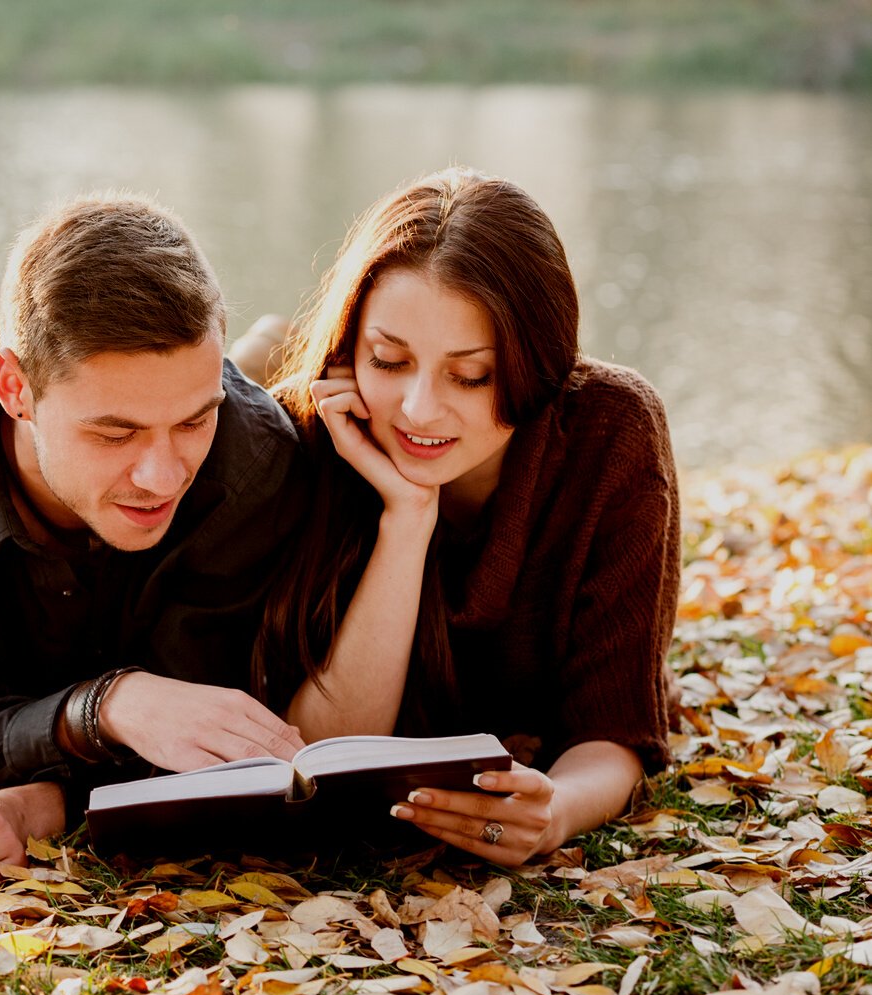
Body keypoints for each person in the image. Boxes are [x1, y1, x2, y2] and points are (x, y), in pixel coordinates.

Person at [0, 193, 307, 887]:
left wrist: (33, 803)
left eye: (194, 421)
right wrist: (110, 704)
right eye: (116, 432)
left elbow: (204, 750)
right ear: (15, 386)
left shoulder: (254, 461)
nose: (163, 474)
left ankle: (268, 348)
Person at [254, 167, 680, 867]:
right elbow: (317, 752)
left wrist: (556, 810)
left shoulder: (613, 430)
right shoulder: (309, 429)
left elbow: (619, 726)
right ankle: (270, 339)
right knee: (248, 374)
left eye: (470, 374)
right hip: (274, 389)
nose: (419, 409)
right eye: (388, 359)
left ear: (537, 365)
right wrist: (408, 518)